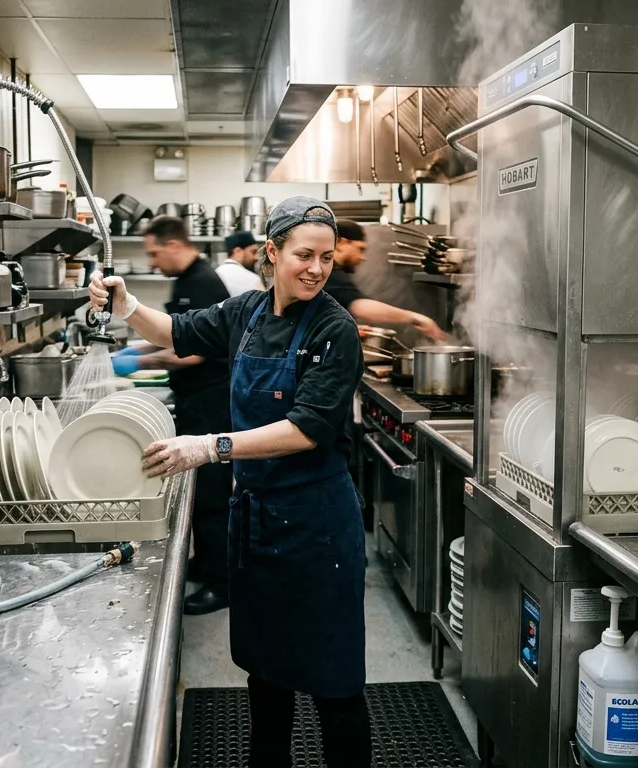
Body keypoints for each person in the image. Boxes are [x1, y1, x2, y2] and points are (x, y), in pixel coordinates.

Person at [88, 197, 371, 767]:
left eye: (325, 257)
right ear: (273, 254)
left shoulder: (335, 330)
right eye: (303, 255)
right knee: (266, 674)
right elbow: (178, 331)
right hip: (259, 522)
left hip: (317, 528)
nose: (316, 268)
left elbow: (307, 428)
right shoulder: (246, 312)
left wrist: (209, 447)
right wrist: (128, 306)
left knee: (333, 678)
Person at [110, 215, 235, 615]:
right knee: (196, 493)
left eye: (154, 253)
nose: (151, 261)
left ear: (175, 244)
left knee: (212, 495)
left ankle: (221, 584)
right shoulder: (186, 280)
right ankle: (206, 563)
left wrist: (138, 359)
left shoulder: (202, 282)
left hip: (212, 403)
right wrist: (141, 354)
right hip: (196, 400)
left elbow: (196, 350)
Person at [324, 219, 446, 340]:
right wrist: (416, 319)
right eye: (360, 249)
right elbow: (362, 306)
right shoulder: (328, 272)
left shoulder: (329, 270)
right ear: (341, 243)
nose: (363, 257)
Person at [216, 230, 266, 296]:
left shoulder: (216, 274)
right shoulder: (252, 279)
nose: (256, 258)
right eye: (253, 252)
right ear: (238, 251)